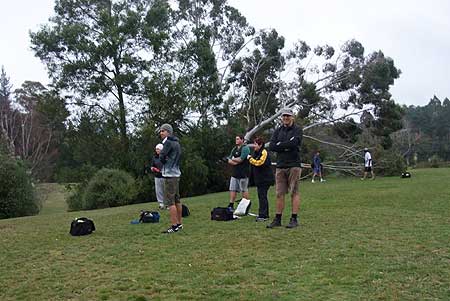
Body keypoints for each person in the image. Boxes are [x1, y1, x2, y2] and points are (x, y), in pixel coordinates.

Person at [267, 108, 303, 229]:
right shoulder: (277, 131)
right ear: (281, 118)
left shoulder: (297, 130)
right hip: (280, 166)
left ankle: (294, 219)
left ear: (292, 117)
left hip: (294, 165)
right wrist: (285, 145)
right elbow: (272, 146)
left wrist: (280, 145)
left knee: (294, 192)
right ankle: (277, 219)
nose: (286, 118)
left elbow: (294, 143)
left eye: (288, 116)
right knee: (279, 194)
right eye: (284, 116)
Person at [158, 124, 183, 234]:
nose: (161, 133)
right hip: (176, 174)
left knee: (170, 202)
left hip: (169, 174)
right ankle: (179, 223)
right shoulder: (177, 143)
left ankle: (174, 225)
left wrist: (163, 160)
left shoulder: (168, 143)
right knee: (177, 200)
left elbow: (161, 156)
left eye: (163, 131)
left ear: (168, 132)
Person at [247, 137, 275, 222]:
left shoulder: (264, 152)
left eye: (255, 144)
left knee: (262, 196)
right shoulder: (256, 152)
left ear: (260, 144)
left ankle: (263, 215)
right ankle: (263, 214)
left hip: (265, 179)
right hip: (259, 179)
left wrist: (250, 159)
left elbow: (259, 163)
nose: (254, 146)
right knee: (261, 196)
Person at [227, 135, 251, 209]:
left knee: (244, 190)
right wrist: (234, 161)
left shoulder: (245, 148)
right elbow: (229, 159)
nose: (236, 140)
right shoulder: (234, 149)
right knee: (232, 189)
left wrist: (234, 159)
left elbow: (241, 159)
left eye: (238, 139)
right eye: (236, 139)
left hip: (244, 173)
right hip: (235, 173)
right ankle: (231, 205)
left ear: (242, 140)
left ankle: (246, 205)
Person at [150, 143, 165, 209]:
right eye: (156, 149)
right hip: (157, 176)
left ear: (161, 149)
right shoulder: (155, 158)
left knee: (166, 190)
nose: (157, 150)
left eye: (158, 149)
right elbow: (152, 166)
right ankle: (161, 203)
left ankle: (168, 204)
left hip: (165, 175)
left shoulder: (165, 157)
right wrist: (153, 168)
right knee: (158, 190)